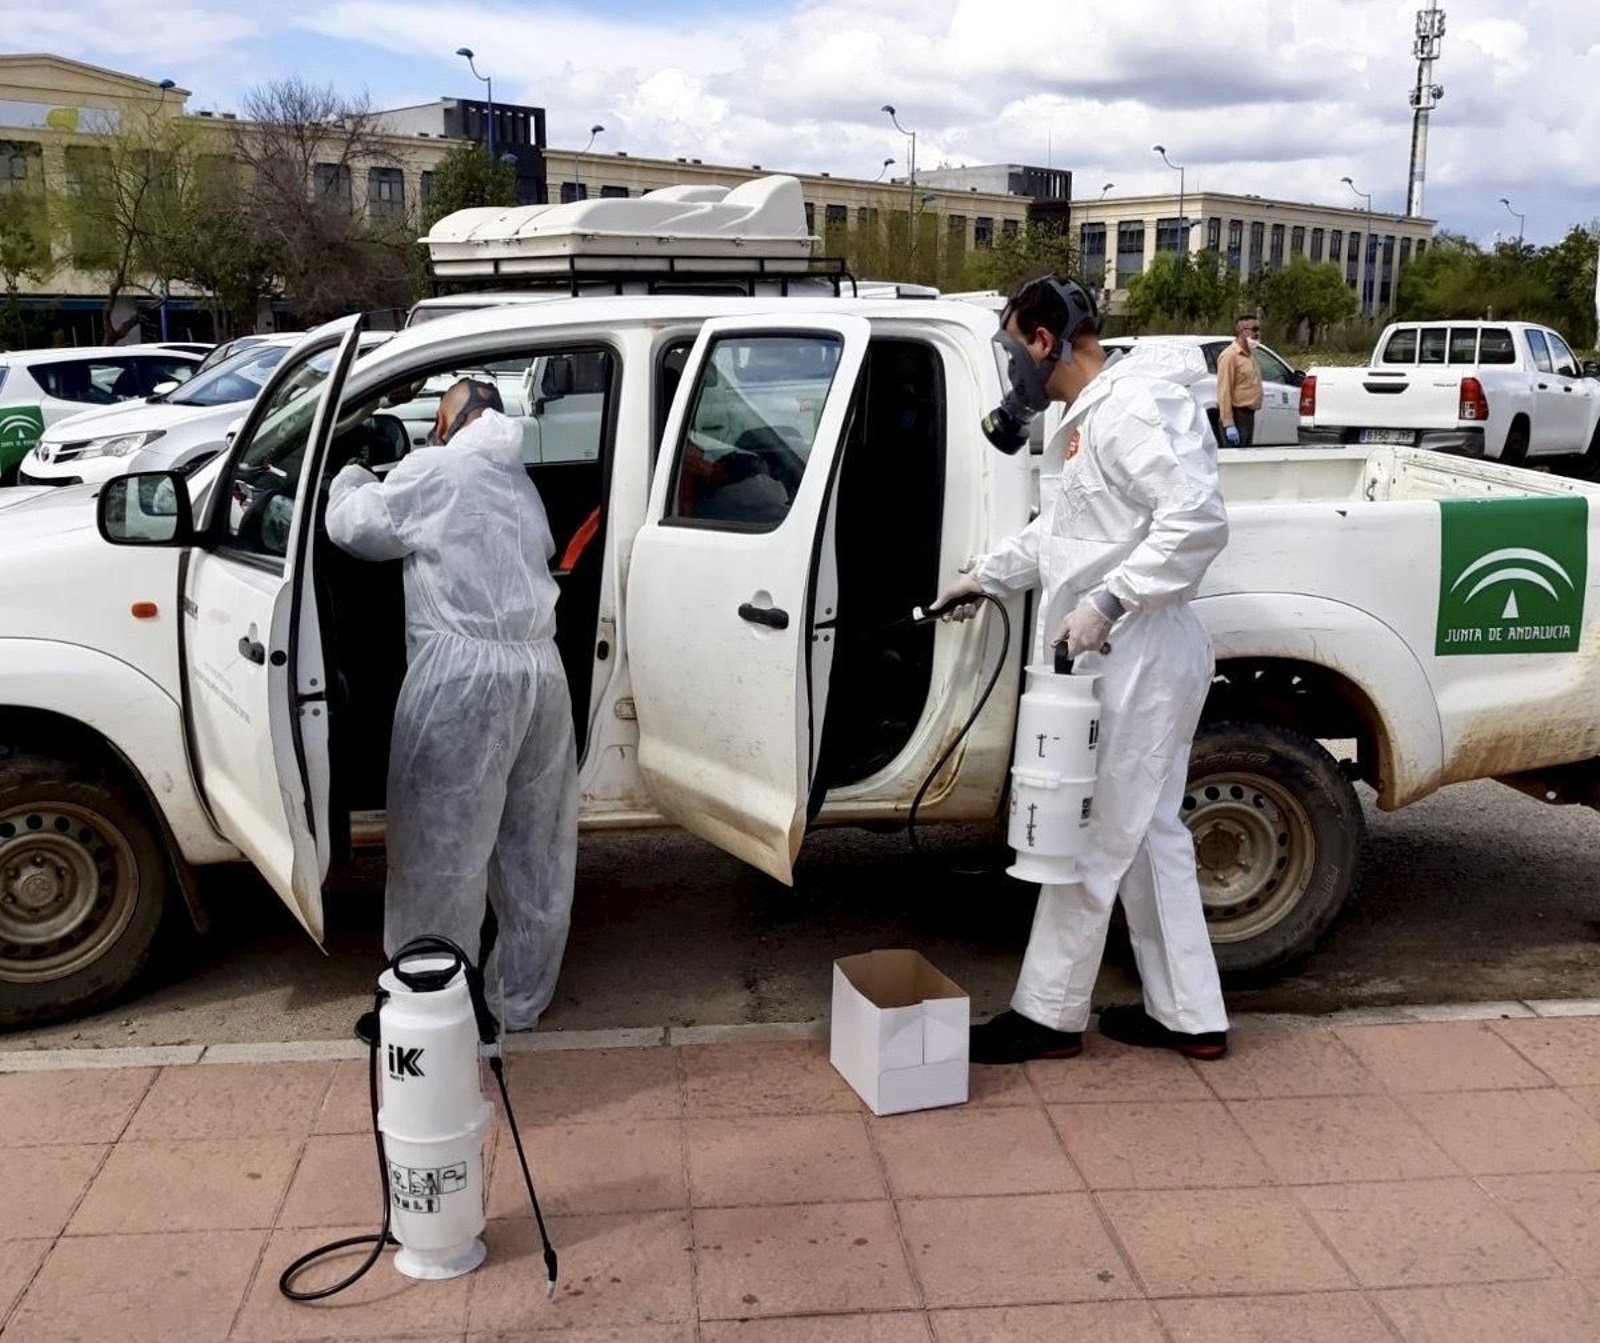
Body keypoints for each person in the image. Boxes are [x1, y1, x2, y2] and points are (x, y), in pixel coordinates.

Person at [937, 275, 1231, 1065]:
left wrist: (1111, 599)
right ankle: (1191, 1015)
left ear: (1043, 340)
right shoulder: (1082, 418)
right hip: (1113, 654)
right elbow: (1063, 532)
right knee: (1146, 833)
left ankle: (1048, 1015)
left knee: (1090, 831)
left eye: (1011, 349)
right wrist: (986, 574)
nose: (1012, 371)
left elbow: (1198, 519)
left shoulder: (1134, 406)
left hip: (1136, 653)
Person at [326, 378, 578, 1031]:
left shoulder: (435, 468)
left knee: (440, 854)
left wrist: (349, 474)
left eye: (440, 413)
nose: (435, 424)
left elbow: (356, 529)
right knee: (534, 850)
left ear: (454, 418)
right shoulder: (519, 482)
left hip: (462, 680)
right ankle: (517, 1001)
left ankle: (426, 1009)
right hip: (540, 673)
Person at [1216, 314, 1263, 447]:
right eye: (1254, 329)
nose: (1257, 333)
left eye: (1258, 329)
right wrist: (1229, 424)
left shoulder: (1251, 354)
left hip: (1248, 416)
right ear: (1242, 331)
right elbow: (1224, 392)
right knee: (1235, 462)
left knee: (1246, 463)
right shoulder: (1230, 356)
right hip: (1237, 416)